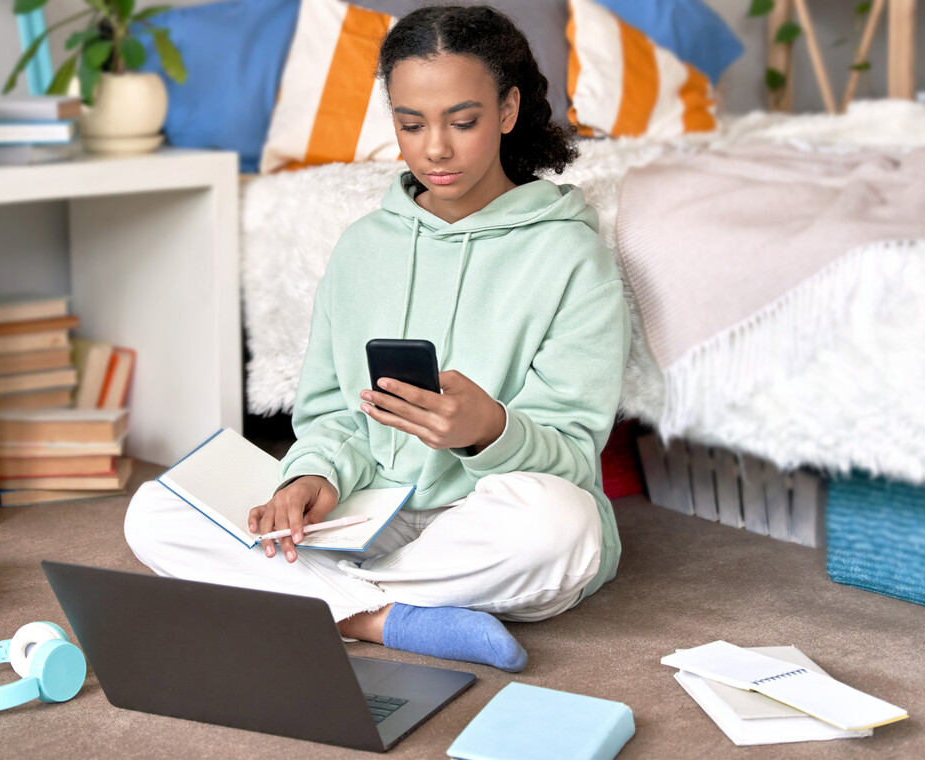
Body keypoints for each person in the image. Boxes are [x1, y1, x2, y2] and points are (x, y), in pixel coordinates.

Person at [125, 4, 630, 673]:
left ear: (508, 110)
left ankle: (323, 605)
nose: (435, 149)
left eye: (463, 120)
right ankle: (387, 620)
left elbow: (570, 456)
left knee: (561, 528)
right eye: (410, 123)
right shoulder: (362, 248)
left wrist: (489, 429)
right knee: (155, 511)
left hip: (486, 517)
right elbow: (331, 414)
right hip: (366, 514)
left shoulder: (570, 255)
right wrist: (313, 478)